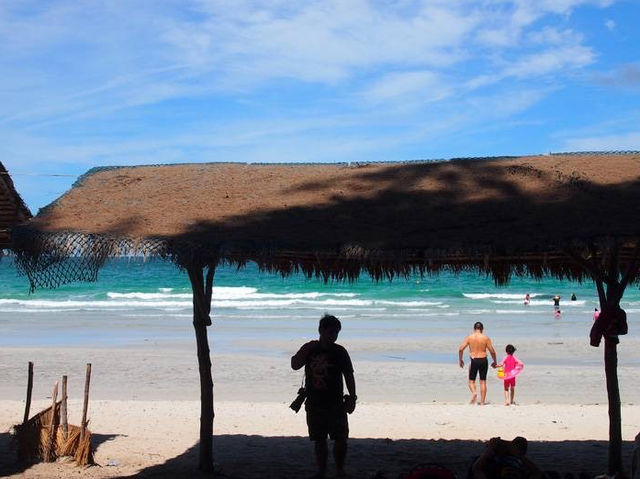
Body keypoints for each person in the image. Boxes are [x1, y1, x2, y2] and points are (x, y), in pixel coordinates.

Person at [291, 314, 356, 478]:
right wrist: (306, 349)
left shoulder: (340, 351)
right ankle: (321, 471)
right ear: (321, 330)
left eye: (336, 333)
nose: (333, 336)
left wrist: (353, 397)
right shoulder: (310, 348)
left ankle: (339, 469)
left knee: (341, 439)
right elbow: (295, 365)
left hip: (336, 403)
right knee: (319, 440)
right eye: (330, 332)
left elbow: (349, 375)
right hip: (314, 402)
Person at [458, 321, 497, 405]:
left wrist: (460, 360)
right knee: (483, 381)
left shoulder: (469, 337)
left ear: (474, 328)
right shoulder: (485, 338)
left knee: (471, 381)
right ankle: (482, 402)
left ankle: (474, 393)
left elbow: (460, 349)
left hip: (474, 360)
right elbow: (492, 351)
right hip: (483, 360)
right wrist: (495, 362)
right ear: (482, 329)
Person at [470, 436, 543, 479]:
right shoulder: (521, 469)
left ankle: (505, 450)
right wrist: (518, 454)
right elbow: (537, 473)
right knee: (520, 441)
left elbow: (477, 469)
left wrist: (490, 449)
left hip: (497, 464)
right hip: (515, 462)